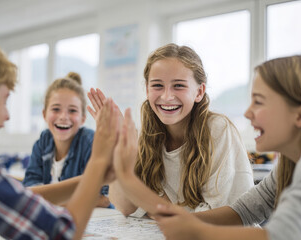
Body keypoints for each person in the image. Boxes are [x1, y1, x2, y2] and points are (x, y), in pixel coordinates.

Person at [0, 34, 120, 239]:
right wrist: (98, 166)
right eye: (4, 100)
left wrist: (96, 177)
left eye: (72, 110)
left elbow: (23, 196)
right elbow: (63, 233)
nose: (7, 116)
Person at [155, 55, 301, 240]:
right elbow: (246, 210)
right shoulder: (289, 162)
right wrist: (184, 222)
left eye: (259, 101)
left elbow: (282, 236)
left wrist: (196, 231)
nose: (247, 113)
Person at [87, 43, 254, 217]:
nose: (167, 96)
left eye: (179, 86)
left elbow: (213, 216)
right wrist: (118, 142)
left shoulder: (218, 130)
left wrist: (153, 208)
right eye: (157, 85)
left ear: (199, 92)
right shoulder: (147, 135)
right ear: (147, 90)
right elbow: (124, 207)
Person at [23, 72, 110, 208]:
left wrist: (50, 202)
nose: (63, 116)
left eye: (72, 110)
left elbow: (104, 198)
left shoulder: (91, 142)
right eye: (56, 109)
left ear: (83, 118)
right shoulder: (42, 143)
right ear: (44, 114)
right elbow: (28, 191)